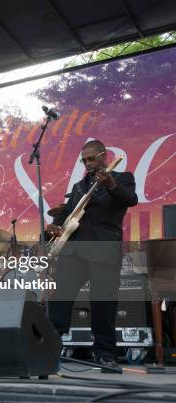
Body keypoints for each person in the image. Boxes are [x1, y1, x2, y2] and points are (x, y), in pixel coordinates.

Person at [46, 140, 138, 369]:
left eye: (91, 158)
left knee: (103, 304)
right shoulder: (78, 187)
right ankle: (49, 350)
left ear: (104, 156)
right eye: (84, 160)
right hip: (73, 250)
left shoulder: (123, 177)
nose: (87, 163)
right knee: (60, 300)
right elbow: (68, 217)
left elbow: (130, 200)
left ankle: (105, 354)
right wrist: (55, 226)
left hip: (103, 250)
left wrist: (111, 184)